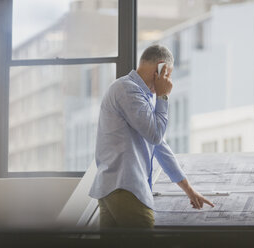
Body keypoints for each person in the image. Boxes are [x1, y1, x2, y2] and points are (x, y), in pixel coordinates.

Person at [89, 44, 214, 229]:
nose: (168, 79)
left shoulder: (138, 95)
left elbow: (160, 146)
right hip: (125, 188)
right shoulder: (127, 90)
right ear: (161, 68)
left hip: (114, 189)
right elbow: (155, 135)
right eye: (168, 74)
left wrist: (189, 190)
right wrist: (163, 97)